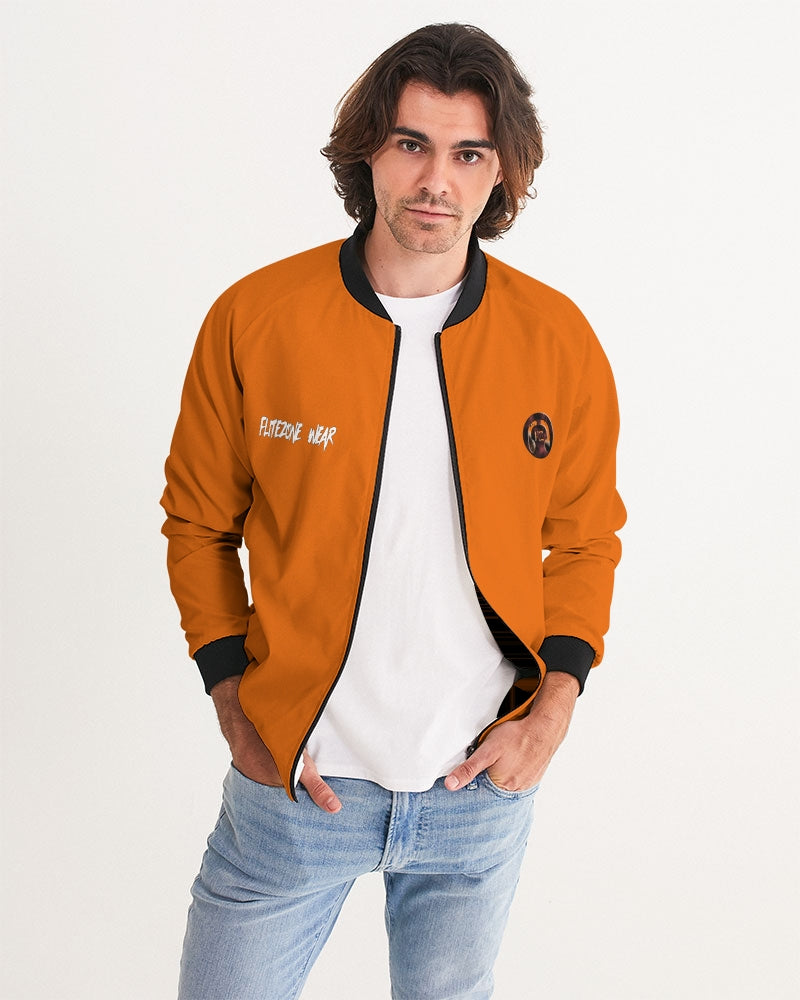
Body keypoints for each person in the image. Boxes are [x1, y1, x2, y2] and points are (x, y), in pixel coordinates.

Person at [161, 22, 625, 1000]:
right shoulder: (256, 318)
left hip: (477, 791)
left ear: (501, 172)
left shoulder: (556, 339)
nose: (435, 181)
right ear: (368, 150)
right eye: (412, 143)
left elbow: (586, 540)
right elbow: (198, 524)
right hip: (298, 784)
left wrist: (550, 712)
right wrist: (236, 704)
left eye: (468, 153)